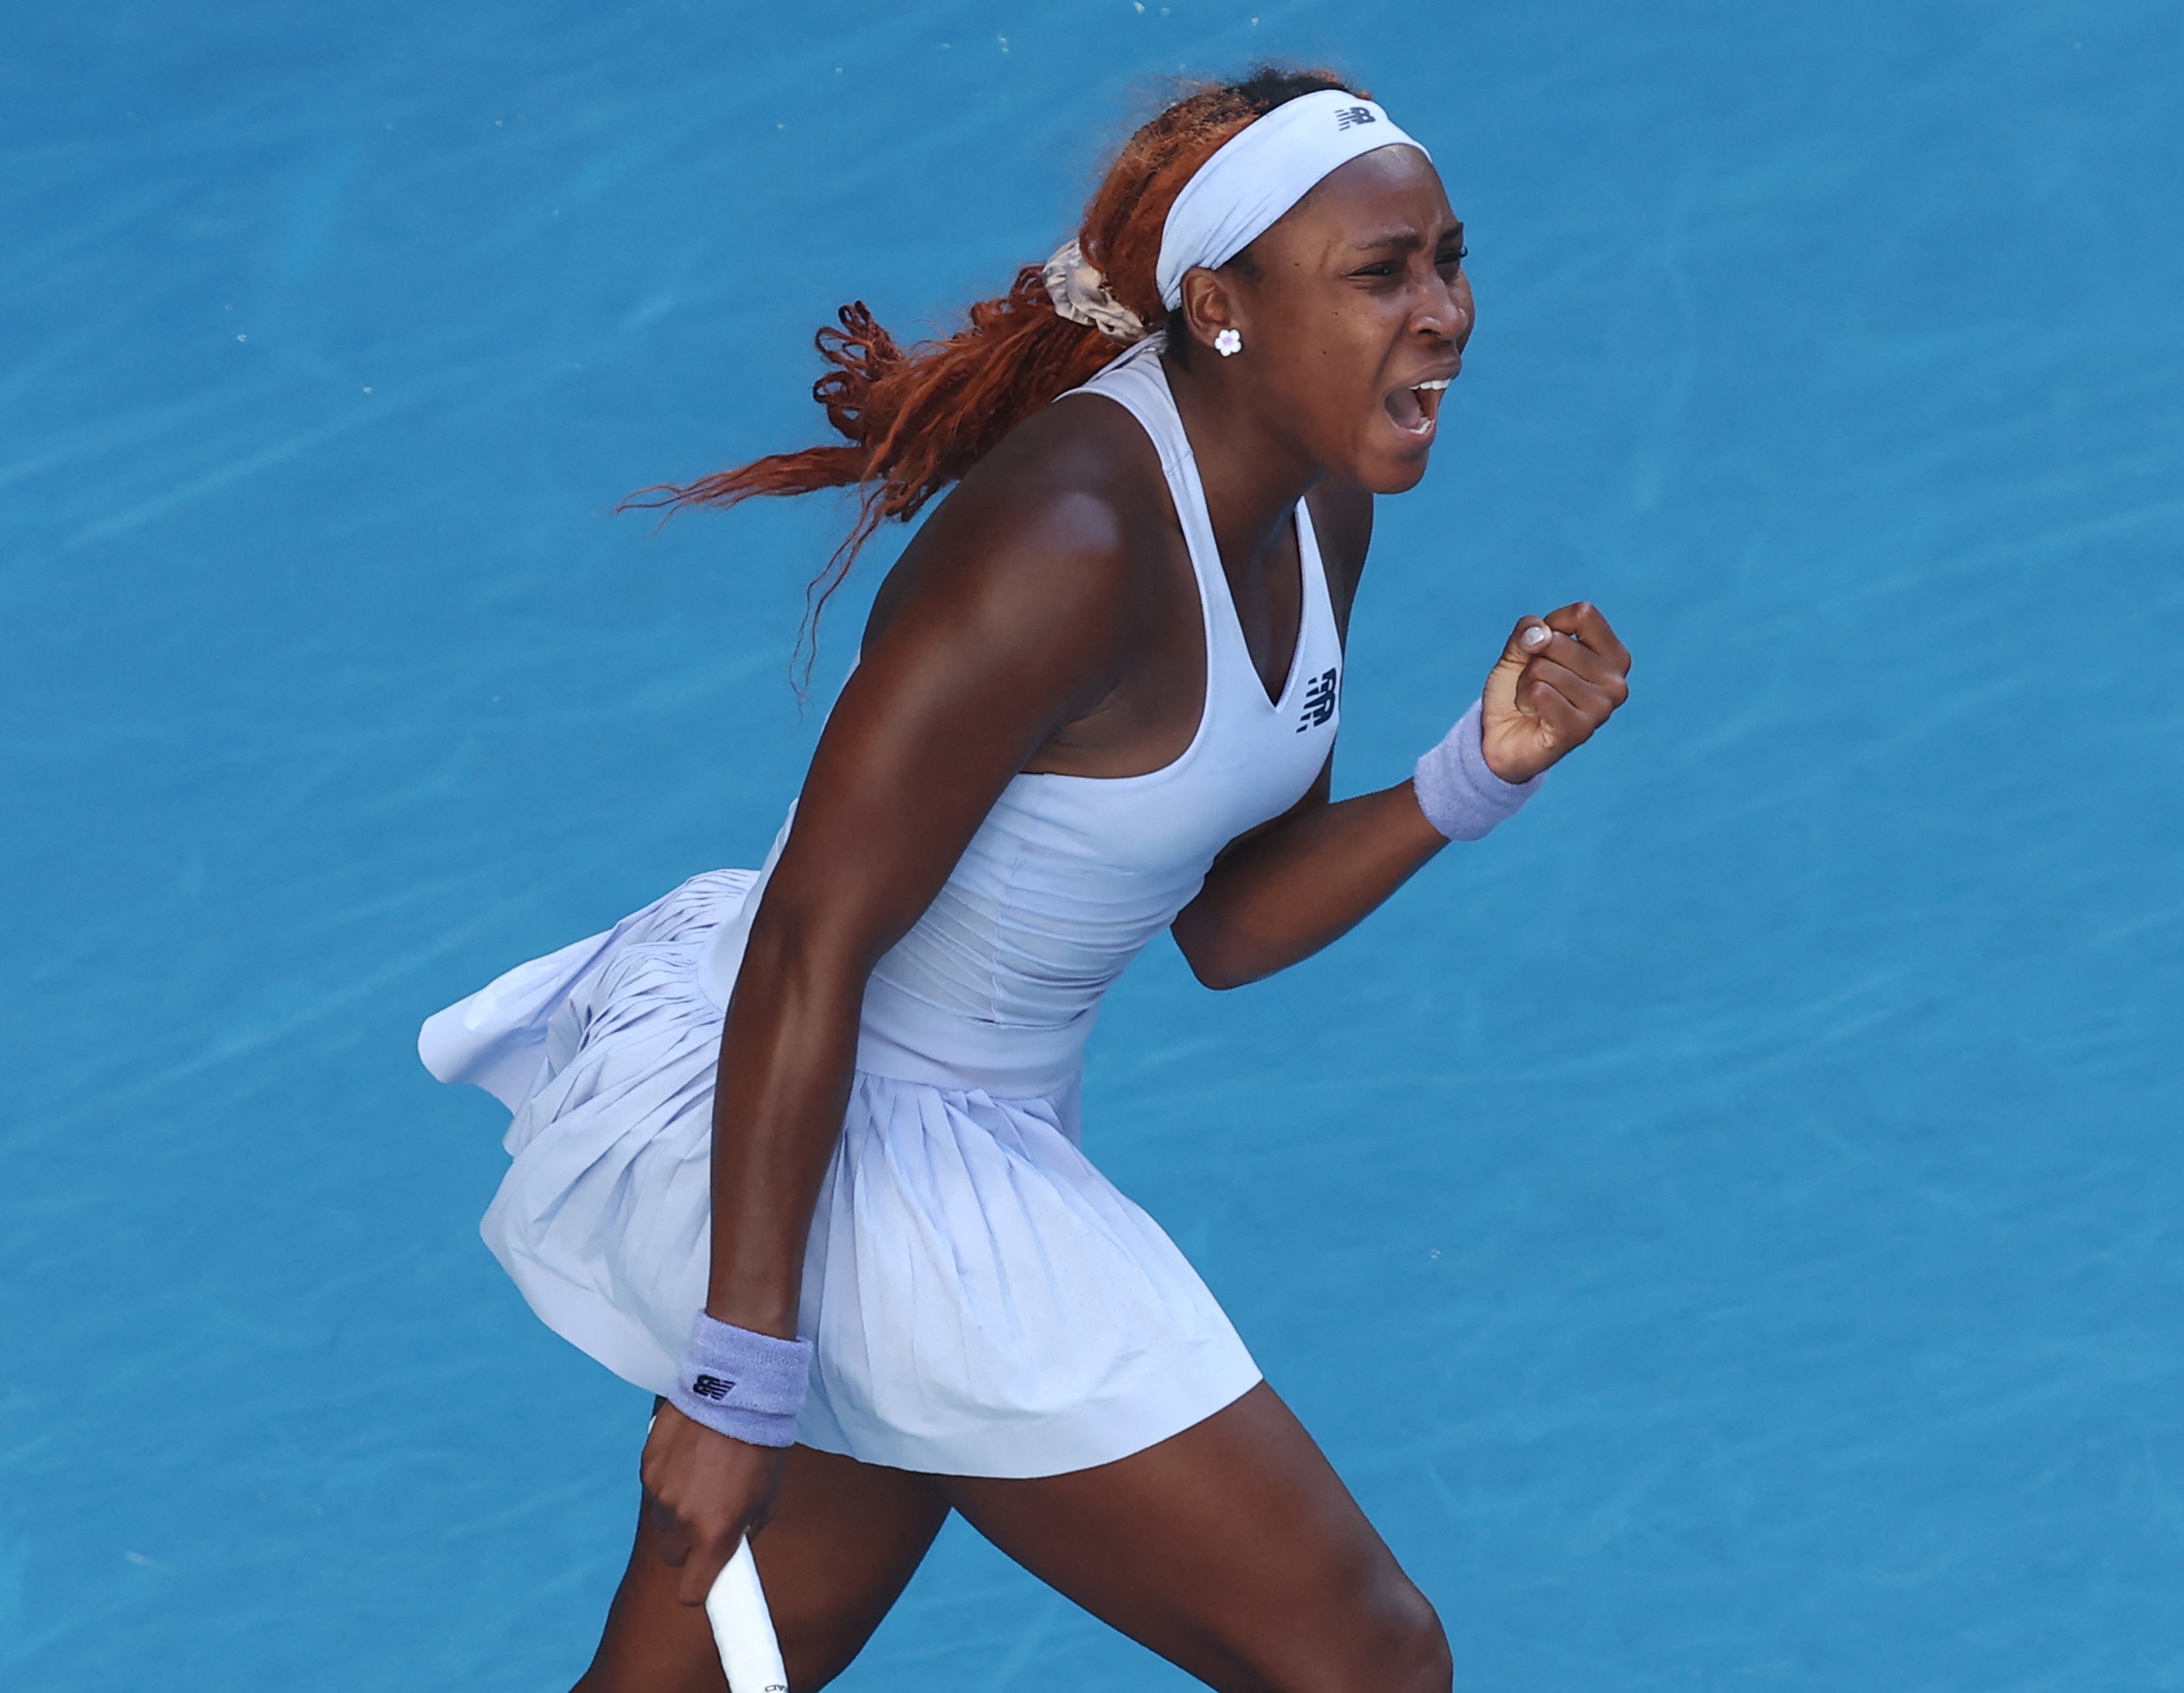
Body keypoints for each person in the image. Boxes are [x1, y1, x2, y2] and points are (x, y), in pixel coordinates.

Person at [421, 66, 1630, 1692]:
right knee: (1369, 1665)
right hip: (824, 1127)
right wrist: (735, 1374)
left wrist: (1473, 773)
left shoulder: (1319, 498)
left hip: (943, 1149)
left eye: (1447, 259)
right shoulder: (1063, 540)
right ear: (1222, 307)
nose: (1445, 314)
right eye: (1381, 273)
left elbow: (1227, 920)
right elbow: (809, 944)